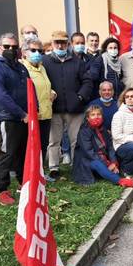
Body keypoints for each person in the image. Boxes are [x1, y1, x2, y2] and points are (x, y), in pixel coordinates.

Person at [0, 33, 29, 205]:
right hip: (8, 118)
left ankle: (22, 183)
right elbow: (1, 96)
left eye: (14, 47)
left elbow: (28, 89)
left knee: (21, 152)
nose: (11, 50)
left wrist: (32, 111)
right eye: (7, 47)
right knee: (7, 153)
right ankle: (2, 189)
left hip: (23, 117)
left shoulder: (19, 66)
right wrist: (21, 114)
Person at [42, 30, 92, 179]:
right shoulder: (45, 61)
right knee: (54, 140)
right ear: (52, 44)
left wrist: (80, 97)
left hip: (75, 109)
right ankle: (54, 167)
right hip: (54, 108)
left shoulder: (77, 62)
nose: (60, 45)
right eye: (57, 42)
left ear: (68, 44)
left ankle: (76, 165)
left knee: (76, 139)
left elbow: (87, 81)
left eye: (63, 42)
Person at [72, 105, 133, 187]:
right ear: (87, 118)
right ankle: (119, 180)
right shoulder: (84, 131)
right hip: (88, 160)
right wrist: (108, 164)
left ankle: (124, 173)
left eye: (98, 114)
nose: (96, 117)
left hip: (103, 157)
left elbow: (110, 148)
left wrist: (113, 162)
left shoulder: (103, 129)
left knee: (118, 155)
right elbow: (89, 152)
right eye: (93, 115)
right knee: (98, 163)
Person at [19, 39, 55, 171]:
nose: (37, 53)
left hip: (46, 114)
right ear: (24, 53)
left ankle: (40, 174)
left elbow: (45, 86)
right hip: (33, 115)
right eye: (33, 50)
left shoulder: (42, 67)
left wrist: (53, 92)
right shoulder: (22, 69)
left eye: (40, 51)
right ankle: (29, 175)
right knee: (32, 148)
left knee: (43, 145)